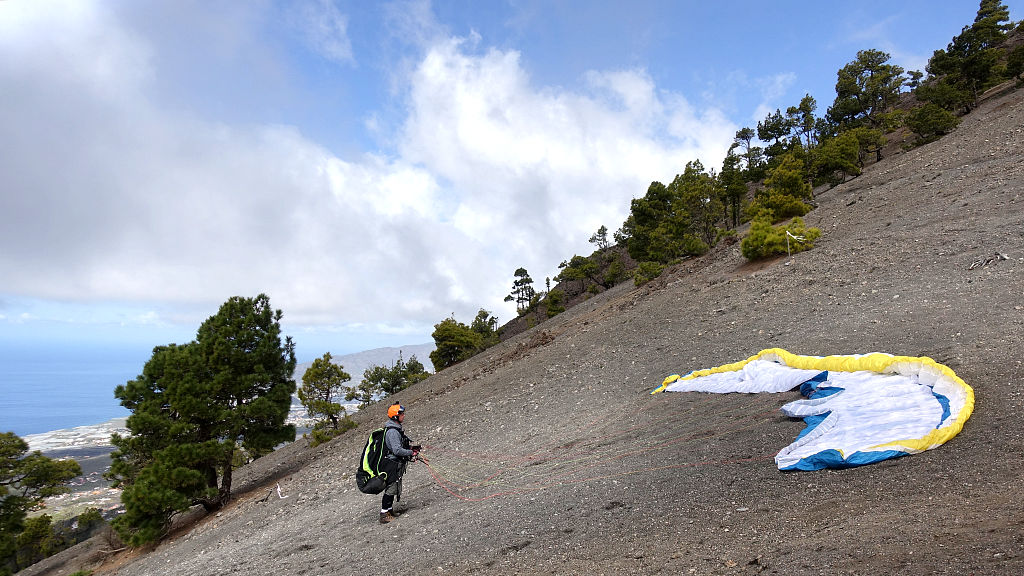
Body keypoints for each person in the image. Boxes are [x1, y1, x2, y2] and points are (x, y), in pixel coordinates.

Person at [379, 402, 420, 524]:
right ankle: (384, 514)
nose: (404, 416)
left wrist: (410, 449)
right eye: (401, 414)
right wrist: (410, 453)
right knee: (391, 488)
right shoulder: (392, 432)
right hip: (391, 465)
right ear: (396, 416)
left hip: (395, 463)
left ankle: (390, 511)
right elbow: (397, 450)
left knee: (394, 487)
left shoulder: (395, 429)